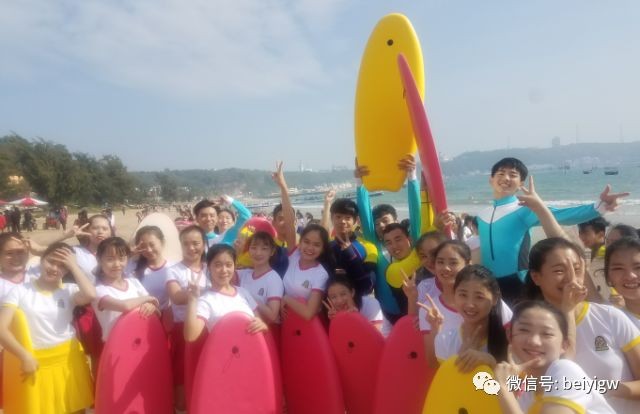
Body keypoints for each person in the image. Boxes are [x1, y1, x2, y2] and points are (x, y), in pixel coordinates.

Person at [477, 157, 628, 305]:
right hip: (489, 283)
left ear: (521, 183)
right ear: (491, 180)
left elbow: (562, 214)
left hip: (518, 282)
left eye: (513, 175)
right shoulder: (482, 215)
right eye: (501, 173)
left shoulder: (523, 208)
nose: (506, 178)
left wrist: (599, 206)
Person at [525, 237, 640, 412]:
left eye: (577, 269)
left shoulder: (610, 317)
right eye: (559, 270)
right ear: (536, 277)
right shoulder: (528, 329)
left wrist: (604, 389)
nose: (572, 278)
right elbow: (535, 385)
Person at [0, 243, 96, 413]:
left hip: (70, 361)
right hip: (36, 363)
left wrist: (74, 266)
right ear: (41, 259)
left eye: (62, 266)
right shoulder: (20, 291)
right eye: (51, 261)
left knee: (75, 410)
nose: (54, 269)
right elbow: (1, 329)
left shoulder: (70, 290)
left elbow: (91, 294)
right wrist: (24, 356)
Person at [494, 301, 615, 414]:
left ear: (564, 345)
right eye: (524, 330)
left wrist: (504, 388)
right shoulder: (524, 393)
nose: (534, 341)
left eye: (547, 334)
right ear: (509, 335)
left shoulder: (565, 369)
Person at [356, 155, 422, 321]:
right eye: (377, 223)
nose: (381, 226)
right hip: (388, 313)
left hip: (416, 314)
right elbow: (365, 214)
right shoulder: (376, 246)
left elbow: (416, 212)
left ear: (396, 220)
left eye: (385, 221)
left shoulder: (411, 241)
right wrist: (361, 183)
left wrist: (411, 176)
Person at [273, 162, 334, 321]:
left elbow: (308, 313)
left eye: (316, 245)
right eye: (306, 242)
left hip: (310, 329)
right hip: (287, 323)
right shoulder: (294, 255)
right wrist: (283, 188)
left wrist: (286, 298)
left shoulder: (320, 273)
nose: (310, 248)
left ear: (323, 248)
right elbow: (289, 221)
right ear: (300, 243)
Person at [429, 265, 510, 372]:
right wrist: (459, 358)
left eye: (479, 297)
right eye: (463, 295)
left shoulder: (510, 339)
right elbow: (446, 381)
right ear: (454, 295)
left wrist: (491, 363)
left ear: (495, 299)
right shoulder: (444, 340)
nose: (470, 304)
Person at [166, 225, 210, 411]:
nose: (191, 248)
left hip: (210, 331)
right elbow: (176, 297)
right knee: (182, 377)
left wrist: (197, 293)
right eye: (186, 244)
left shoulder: (211, 267)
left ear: (204, 244)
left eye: (196, 243)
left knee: (207, 375)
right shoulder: (173, 270)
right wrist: (199, 293)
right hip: (183, 331)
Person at [184, 244, 268, 340]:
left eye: (229, 265)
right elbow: (190, 336)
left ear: (234, 266)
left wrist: (262, 326)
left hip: (251, 347)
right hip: (224, 349)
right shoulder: (206, 300)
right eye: (218, 265)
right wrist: (192, 300)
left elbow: (260, 323)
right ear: (209, 267)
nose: (224, 270)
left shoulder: (243, 293)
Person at [326, 197, 376, 297]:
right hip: (332, 302)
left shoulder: (369, 247)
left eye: (348, 218)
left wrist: (350, 254)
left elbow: (368, 285)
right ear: (332, 218)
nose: (342, 221)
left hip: (359, 301)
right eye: (338, 217)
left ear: (355, 220)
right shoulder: (327, 247)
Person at [236, 231, 284, 330]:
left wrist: (248, 296)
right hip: (243, 327)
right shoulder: (245, 274)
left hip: (262, 332)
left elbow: (273, 315)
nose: (258, 253)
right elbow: (224, 274)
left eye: (264, 249)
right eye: (254, 248)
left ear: (272, 252)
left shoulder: (273, 279)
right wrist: (237, 252)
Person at [324, 275, 391, 337]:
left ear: (352, 292)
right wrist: (336, 322)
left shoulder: (370, 304)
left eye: (343, 294)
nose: (339, 301)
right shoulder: (336, 314)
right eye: (333, 297)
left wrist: (355, 318)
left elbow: (375, 337)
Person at [604, 237, 640, 328]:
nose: (630, 276)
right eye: (618, 268)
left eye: (638, 267)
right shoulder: (611, 320)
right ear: (608, 276)